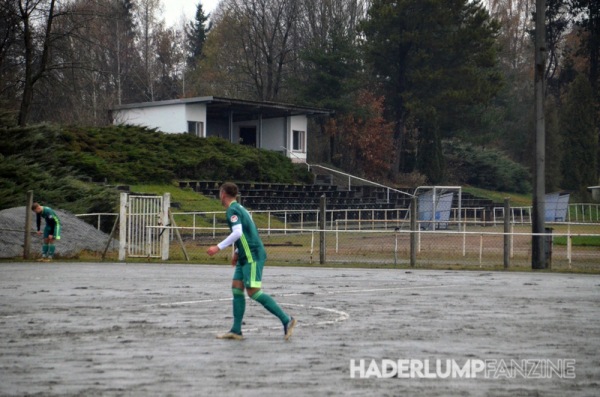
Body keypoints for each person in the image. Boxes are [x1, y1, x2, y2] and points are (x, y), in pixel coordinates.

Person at [207, 182, 297, 341]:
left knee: (253, 291)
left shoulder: (232, 210)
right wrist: (236, 251)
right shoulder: (241, 209)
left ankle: (286, 320)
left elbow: (238, 232)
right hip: (244, 255)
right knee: (236, 287)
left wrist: (218, 247)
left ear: (223, 194)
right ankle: (236, 330)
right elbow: (248, 232)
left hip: (252, 255)